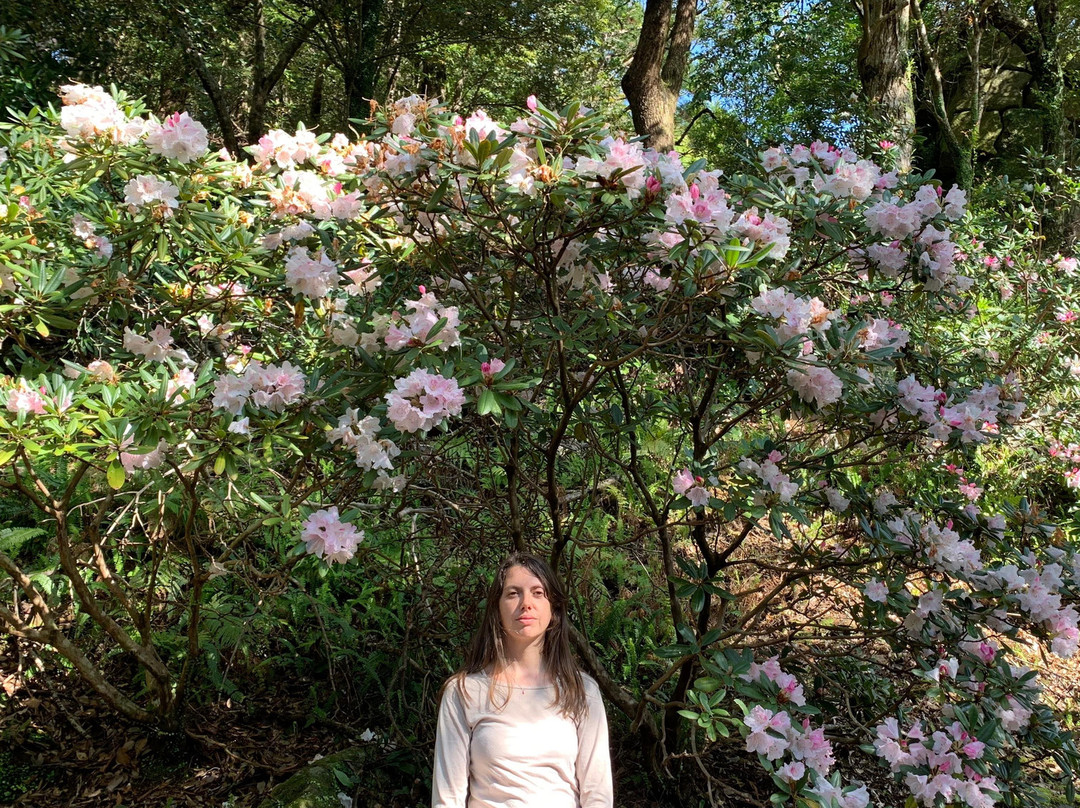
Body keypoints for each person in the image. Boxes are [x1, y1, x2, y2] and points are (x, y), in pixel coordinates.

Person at [431, 552, 613, 808]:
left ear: (554, 609)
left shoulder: (582, 691)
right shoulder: (464, 692)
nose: (526, 603)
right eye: (513, 593)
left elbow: (598, 796)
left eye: (538, 593)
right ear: (497, 607)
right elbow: (447, 800)